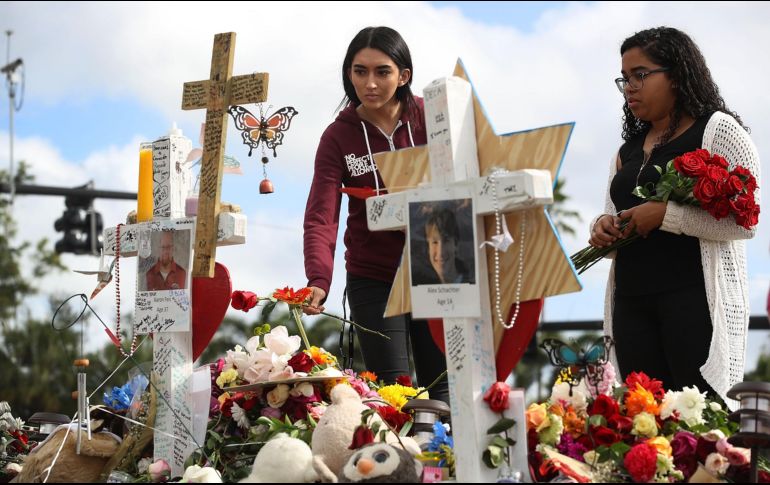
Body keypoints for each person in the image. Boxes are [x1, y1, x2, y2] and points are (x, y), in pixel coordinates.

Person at [589, 27, 760, 406]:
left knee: (700, 426)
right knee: (643, 426)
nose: (629, 87)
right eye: (624, 78)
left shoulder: (718, 130)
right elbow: (611, 215)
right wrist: (602, 230)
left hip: (694, 302)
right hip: (630, 304)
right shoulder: (627, 150)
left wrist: (667, 215)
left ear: (677, 74)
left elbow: (745, 222)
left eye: (641, 74)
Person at [303, 26, 448, 403]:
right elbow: (322, 214)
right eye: (359, 71)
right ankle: (400, 463)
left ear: (404, 75)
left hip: (438, 272)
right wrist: (319, 279)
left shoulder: (435, 118)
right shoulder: (337, 137)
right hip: (374, 277)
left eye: (382, 71)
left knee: (444, 389)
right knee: (394, 392)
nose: (369, 83)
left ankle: (446, 463)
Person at [413, 206, 472, 285]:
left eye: (446, 241)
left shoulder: (471, 283)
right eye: (434, 242)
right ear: (428, 247)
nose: (440, 251)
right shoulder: (422, 286)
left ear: (456, 244)